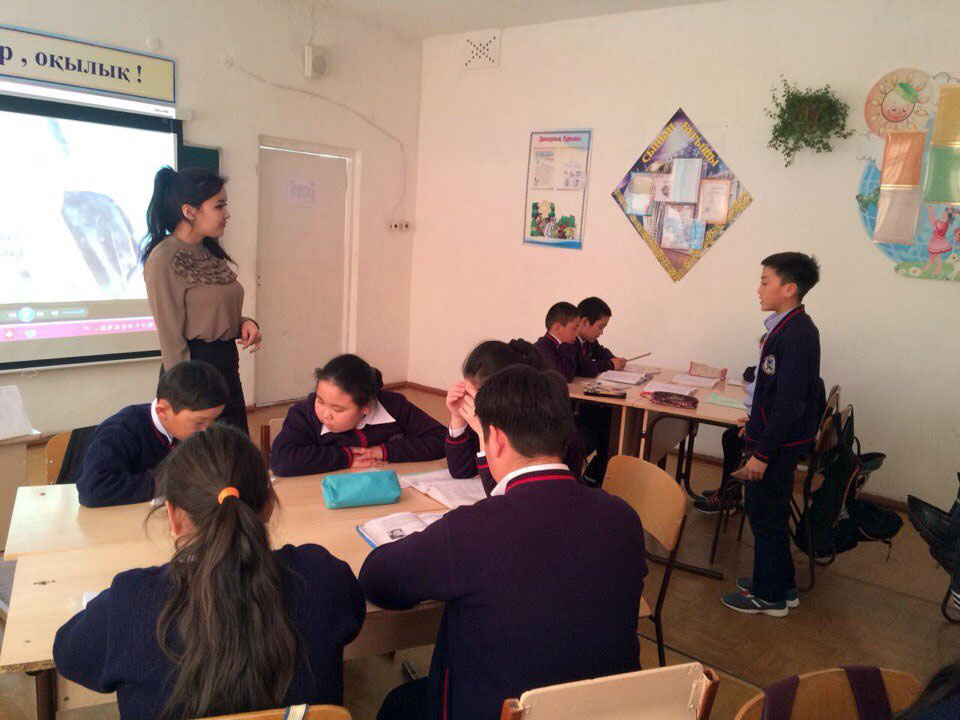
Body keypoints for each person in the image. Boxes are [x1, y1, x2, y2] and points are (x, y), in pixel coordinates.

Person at [360, 365, 647, 720]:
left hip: (503, 709)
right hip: (606, 709)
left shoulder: (472, 529)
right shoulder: (623, 518)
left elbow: (378, 580)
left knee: (398, 704)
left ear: (493, 438)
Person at [54, 424, 365, 720]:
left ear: (172, 516)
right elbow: (353, 621)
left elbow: (69, 655)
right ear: (269, 504)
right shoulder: (322, 574)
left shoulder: (130, 600)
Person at [721, 252, 821, 617]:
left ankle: (770, 597)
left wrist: (762, 453)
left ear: (789, 288)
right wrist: (754, 424)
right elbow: (772, 391)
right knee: (771, 516)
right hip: (775, 440)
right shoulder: (787, 327)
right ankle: (782, 585)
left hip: (777, 447)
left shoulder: (796, 334)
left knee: (765, 519)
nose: (759, 289)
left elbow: (789, 403)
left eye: (765, 281)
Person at [142, 166, 262, 434]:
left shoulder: (209, 251)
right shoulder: (164, 258)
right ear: (189, 211)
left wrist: (245, 322)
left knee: (233, 446)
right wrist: (187, 390)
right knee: (200, 453)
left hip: (226, 365)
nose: (226, 214)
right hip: (192, 369)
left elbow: (210, 310)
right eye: (219, 206)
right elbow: (171, 337)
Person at [76, 360, 227, 508]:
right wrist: (174, 483)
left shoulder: (193, 428)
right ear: (162, 412)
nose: (207, 430)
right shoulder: (121, 430)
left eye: (213, 420)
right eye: (199, 423)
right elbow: (92, 489)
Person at [270, 354, 446, 476]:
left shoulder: (394, 406)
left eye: (337, 409)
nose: (325, 414)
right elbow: (281, 461)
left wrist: (382, 451)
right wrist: (346, 457)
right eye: (320, 400)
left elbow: (441, 439)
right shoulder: (304, 414)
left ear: (366, 407)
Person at [445, 339, 584, 491]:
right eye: (468, 393)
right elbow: (461, 471)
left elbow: (500, 494)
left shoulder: (539, 428)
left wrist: (483, 433)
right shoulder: (490, 415)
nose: (471, 402)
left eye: (474, 396)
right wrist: (458, 418)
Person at [573, 297, 627, 485]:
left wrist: (615, 360)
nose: (601, 333)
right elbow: (583, 367)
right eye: (600, 327)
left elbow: (602, 353)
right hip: (574, 406)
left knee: (613, 419)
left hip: (585, 401)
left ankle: (598, 472)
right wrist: (609, 364)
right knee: (608, 422)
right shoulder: (570, 342)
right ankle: (595, 474)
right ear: (584, 322)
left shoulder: (588, 341)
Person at [532, 301, 580, 382]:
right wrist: (567, 346)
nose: (576, 334)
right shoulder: (543, 346)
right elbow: (564, 376)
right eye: (574, 329)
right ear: (557, 328)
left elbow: (586, 368)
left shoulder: (566, 345)